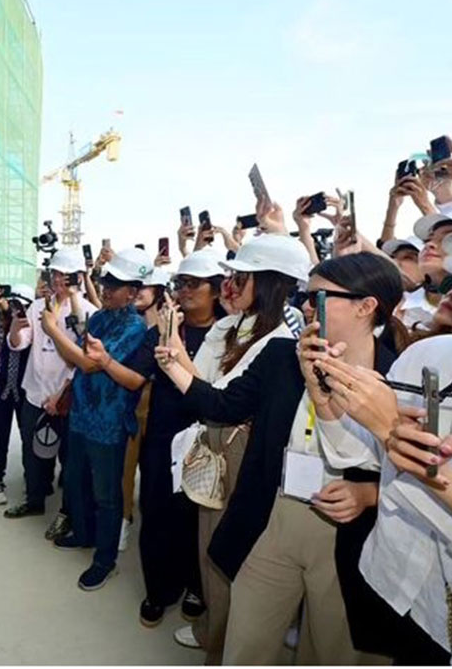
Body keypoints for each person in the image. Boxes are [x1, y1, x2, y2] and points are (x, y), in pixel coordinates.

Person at [313, 194, 452, 664]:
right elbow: (359, 454)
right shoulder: (431, 356)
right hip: (394, 585)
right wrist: (325, 395)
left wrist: (396, 434)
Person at [157, 251, 404, 665]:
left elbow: (416, 471)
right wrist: (174, 364)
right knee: (246, 643)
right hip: (271, 514)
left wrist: (369, 494)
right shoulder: (281, 357)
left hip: (345, 534)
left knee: (328, 651)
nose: (305, 306)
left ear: (366, 306)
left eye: (319, 297)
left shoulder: (400, 376)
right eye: (305, 295)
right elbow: (224, 405)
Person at [160, 233, 312, 658]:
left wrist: (173, 362)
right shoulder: (234, 326)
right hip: (216, 441)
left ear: (269, 283)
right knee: (210, 548)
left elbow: (222, 402)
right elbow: (204, 387)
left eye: (241, 277)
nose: (230, 285)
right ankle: (213, 629)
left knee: (227, 554)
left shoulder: (281, 343)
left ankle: (221, 642)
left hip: (239, 451)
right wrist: (174, 344)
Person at [121, 251, 225, 629]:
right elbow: (135, 375)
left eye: (194, 284)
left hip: (210, 440)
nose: (185, 290)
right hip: (164, 439)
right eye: (181, 283)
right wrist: (102, 360)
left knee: (199, 517)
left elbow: (220, 392)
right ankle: (158, 590)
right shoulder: (161, 331)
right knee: (157, 514)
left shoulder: (230, 332)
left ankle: (196, 587)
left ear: (217, 289)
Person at [46, 247, 152, 591]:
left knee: (107, 495)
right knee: (75, 480)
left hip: (108, 423)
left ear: (132, 292)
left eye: (115, 285)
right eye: (106, 282)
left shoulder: (134, 327)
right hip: (81, 414)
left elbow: (90, 363)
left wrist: (52, 330)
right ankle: (83, 534)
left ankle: (105, 560)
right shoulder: (101, 317)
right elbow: (77, 357)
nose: (106, 289)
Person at [3, 249, 97, 543]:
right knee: (32, 454)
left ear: (78, 278)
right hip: (34, 394)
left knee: (70, 461)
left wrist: (61, 394)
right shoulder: (37, 307)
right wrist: (15, 330)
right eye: (55, 274)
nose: (58, 280)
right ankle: (34, 500)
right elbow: (20, 344)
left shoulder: (87, 313)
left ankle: (67, 513)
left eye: (65, 276)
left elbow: (85, 360)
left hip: (67, 399)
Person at [119, 266, 171, 552]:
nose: (136, 292)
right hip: (133, 402)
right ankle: (123, 519)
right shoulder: (131, 324)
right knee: (126, 467)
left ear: (159, 291)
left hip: (163, 407)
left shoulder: (171, 325)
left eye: (143, 287)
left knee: (155, 472)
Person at [0, 285, 35, 505]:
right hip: (0, 390)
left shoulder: (36, 328)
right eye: (13, 304)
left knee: (28, 438)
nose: (16, 310)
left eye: (21, 306)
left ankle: (32, 479)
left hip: (26, 391)